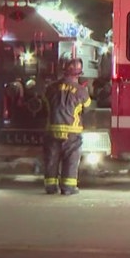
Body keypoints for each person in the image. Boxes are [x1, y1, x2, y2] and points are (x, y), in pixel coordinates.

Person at [42, 58, 91, 195]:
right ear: (78, 74)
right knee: (71, 158)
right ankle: (68, 187)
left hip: (52, 129)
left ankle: (50, 187)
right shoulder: (81, 91)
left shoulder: (50, 88)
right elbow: (87, 108)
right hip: (72, 132)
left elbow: (45, 105)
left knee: (52, 158)